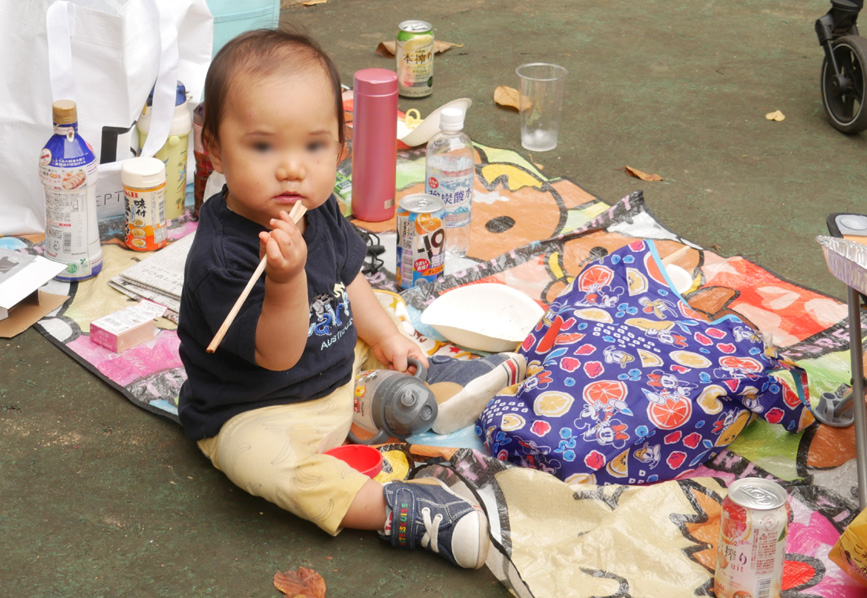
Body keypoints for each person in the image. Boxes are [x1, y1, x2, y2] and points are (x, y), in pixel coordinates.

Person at [177, 28, 505, 569]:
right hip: (261, 411)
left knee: (386, 315)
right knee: (256, 463)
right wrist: (286, 281)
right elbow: (278, 354)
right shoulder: (222, 257)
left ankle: (411, 383)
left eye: (313, 146)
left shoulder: (315, 205)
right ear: (211, 146)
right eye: (262, 146)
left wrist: (385, 336)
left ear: (341, 148)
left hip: (339, 370)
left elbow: (350, 280)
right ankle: (401, 507)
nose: (292, 168)